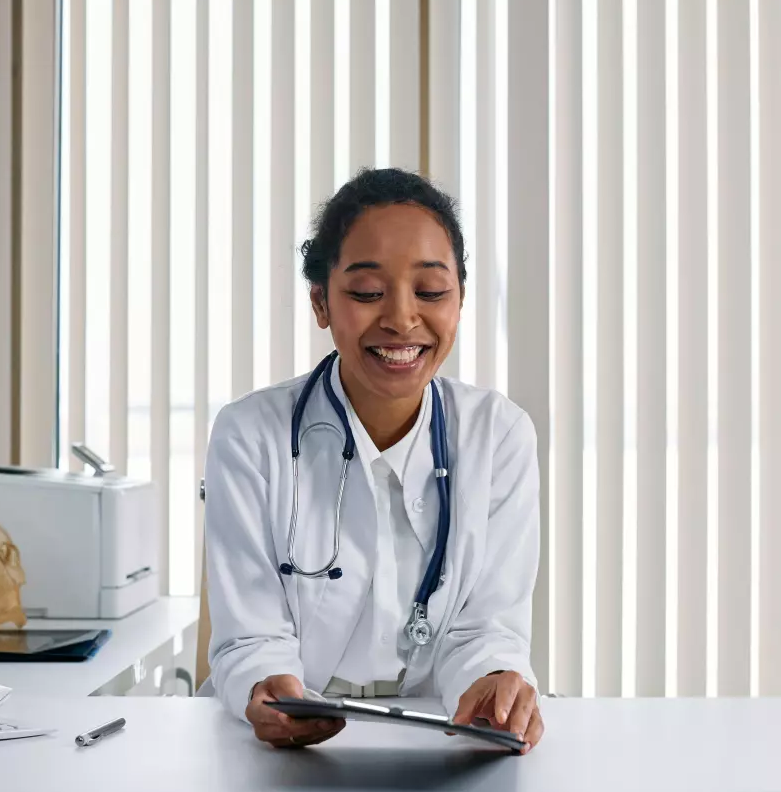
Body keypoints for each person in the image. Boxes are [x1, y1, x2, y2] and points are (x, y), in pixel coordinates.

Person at [203, 168, 544, 753]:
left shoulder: (498, 434)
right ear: (321, 302)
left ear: (459, 301)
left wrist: (493, 683)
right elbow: (250, 636)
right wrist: (269, 688)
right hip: (276, 754)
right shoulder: (249, 434)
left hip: (441, 743)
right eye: (366, 293)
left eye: (431, 292)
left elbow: (487, 628)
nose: (401, 319)